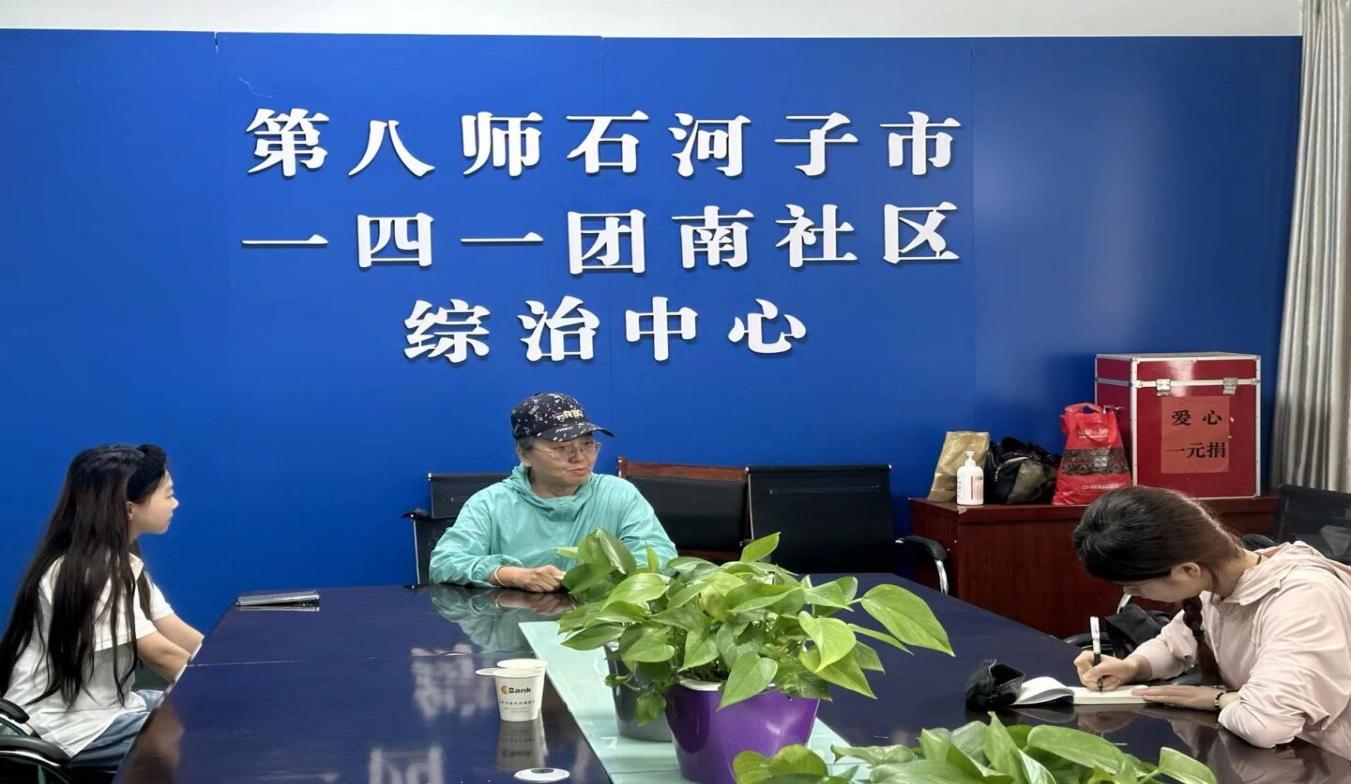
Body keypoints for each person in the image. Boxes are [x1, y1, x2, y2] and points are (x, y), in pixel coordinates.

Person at [1072, 485, 1351, 750]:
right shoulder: (1217, 581)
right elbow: (1172, 644)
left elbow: (1264, 724)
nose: (1129, 593)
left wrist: (1217, 699)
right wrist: (1133, 666)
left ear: (1187, 570)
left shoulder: (1302, 599)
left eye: (1135, 586)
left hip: (1327, 759)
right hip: (1267, 753)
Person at [0, 444, 203, 770]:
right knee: (201, 730)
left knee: (190, 710)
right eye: (168, 495)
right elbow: (161, 654)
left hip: (103, 707)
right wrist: (220, 688)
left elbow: (175, 630)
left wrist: (236, 668)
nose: (175, 503)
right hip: (69, 724)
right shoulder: (91, 573)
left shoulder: (121, 564)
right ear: (129, 508)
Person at [429, 392, 677, 590]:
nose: (579, 457)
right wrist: (513, 575)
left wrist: (592, 580)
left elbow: (659, 557)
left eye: (587, 444)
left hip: (600, 623)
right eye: (561, 448)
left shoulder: (619, 494)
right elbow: (444, 563)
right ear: (524, 454)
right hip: (514, 624)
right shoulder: (491, 503)